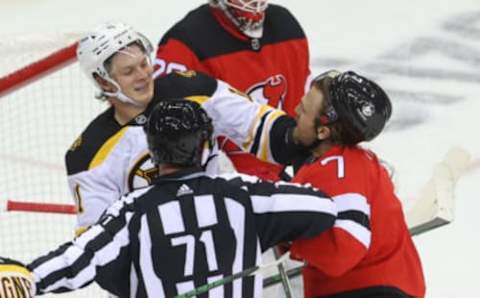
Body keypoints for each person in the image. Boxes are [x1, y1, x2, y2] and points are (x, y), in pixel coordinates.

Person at [1, 100, 337, 298]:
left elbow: (77, 261)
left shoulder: (133, 210)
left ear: (154, 151)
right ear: (205, 145)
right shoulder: (242, 194)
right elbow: (322, 208)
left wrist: (26, 276)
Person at [67, 21, 301, 235]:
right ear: (103, 81)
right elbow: (98, 242)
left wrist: (299, 138)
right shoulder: (89, 154)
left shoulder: (193, 89)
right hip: (158, 263)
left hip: (221, 234)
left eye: (143, 64)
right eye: (129, 71)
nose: (143, 76)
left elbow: (259, 124)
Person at [283, 70, 426, 297]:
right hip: (392, 285)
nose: (295, 112)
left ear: (323, 131)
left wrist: (288, 236)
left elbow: (343, 251)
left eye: (303, 111)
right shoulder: (359, 161)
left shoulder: (338, 169)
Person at [155, 0, 311, 181]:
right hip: (216, 182)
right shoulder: (183, 43)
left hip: (279, 172)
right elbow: (162, 128)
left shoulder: (286, 25)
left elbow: (303, 108)